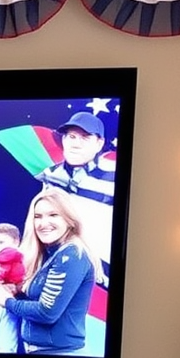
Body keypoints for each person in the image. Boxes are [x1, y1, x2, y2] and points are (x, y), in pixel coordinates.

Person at [0, 187, 100, 355]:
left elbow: (47, 313)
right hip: (40, 355)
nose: (43, 223)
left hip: (60, 356)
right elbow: (39, 300)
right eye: (38, 217)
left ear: (69, 219)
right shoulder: (49, 253)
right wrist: (17, 292)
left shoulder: (71, 254)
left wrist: (7, 301)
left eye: (53, 215)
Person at [37, 110, 115, 282]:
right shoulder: (50, 175)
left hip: (101, 268)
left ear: (99, 143)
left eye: (85, 137)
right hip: (57, 264)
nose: (75, 144)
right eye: (71, 137)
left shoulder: (114, 174)